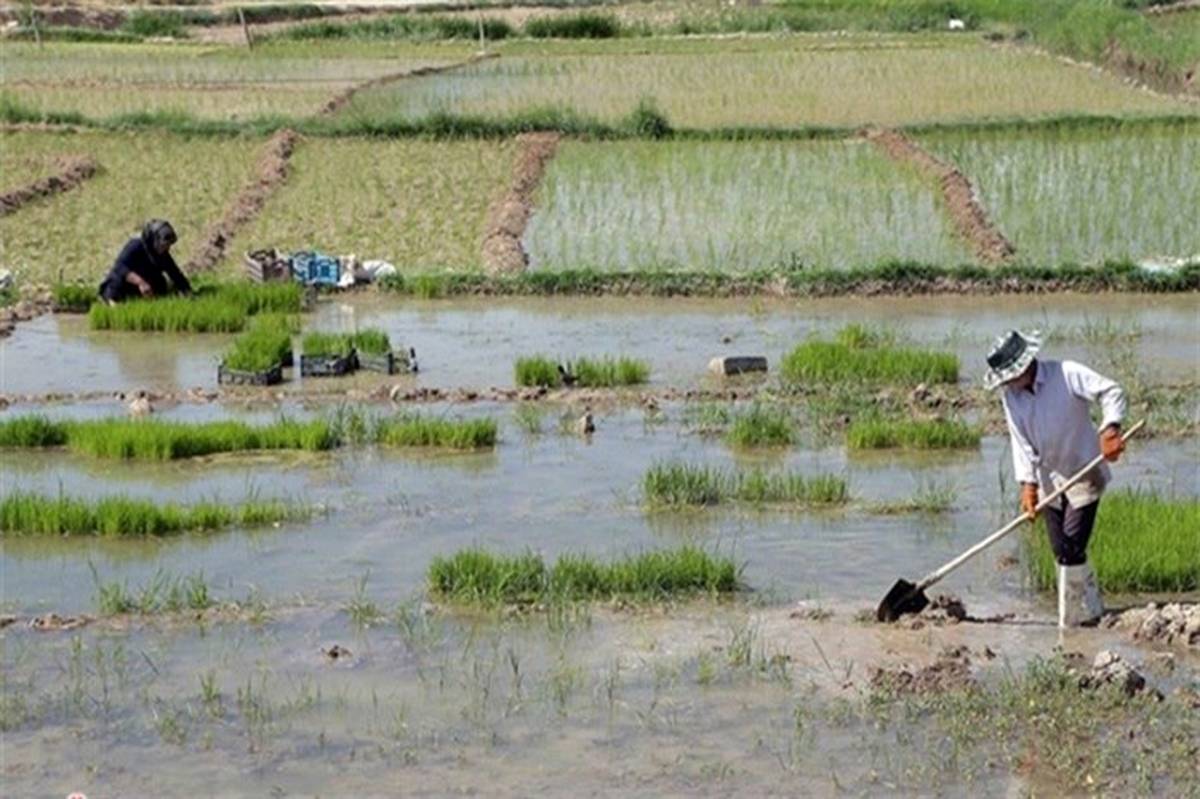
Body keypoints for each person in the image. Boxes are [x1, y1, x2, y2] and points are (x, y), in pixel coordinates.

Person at [984, 329, 1127, 628]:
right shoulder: (1012, 398)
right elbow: (1020, 442)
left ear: (1024, 365)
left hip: (1085, 470)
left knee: (1071, 547)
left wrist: (1110, 428)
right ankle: (1090, 605)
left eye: (1010, 376)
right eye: (1004, 380)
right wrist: (1028, 485)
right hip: (1050, 478)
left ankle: (1072, 623)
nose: (1008, 383)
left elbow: (1111, 391)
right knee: (1059, 548)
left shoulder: (1067, 373)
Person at [98, 219, 192, 304]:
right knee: (116, 280)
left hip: (146, 289)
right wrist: (140, 283)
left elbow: (175, 273)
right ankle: (112, 302)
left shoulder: (162, 254)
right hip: (127, 284)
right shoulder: (135, 246)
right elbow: (120, 267)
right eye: (164, 245)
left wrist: (186, 290)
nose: (167, 248)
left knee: (161, 284)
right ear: (154, 240)